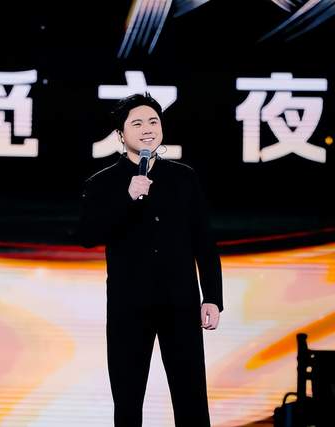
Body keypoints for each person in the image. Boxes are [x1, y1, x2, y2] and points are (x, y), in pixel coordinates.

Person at [77, 93, 223, 426]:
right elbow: (87, 235)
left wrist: (213, 297)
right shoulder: (102, 183)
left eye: (154, 121)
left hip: (180, 303)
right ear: (120, 134)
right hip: (129, 307)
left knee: (191, 399)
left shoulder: (184, 178)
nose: (147, 129)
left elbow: (204, 241)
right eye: (137, 123)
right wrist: (127, 197)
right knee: (128, 402)